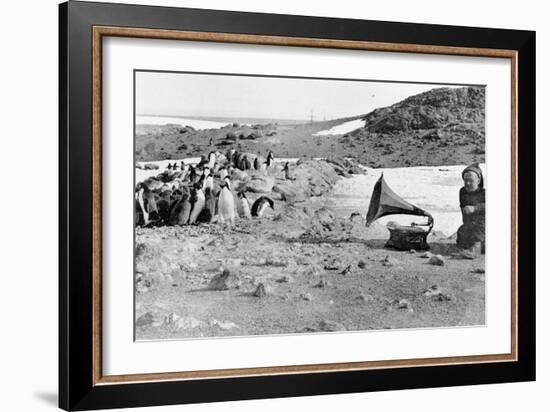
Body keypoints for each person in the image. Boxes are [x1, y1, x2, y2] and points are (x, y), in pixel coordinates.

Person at [456, 163, 485, 258]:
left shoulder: (484, 193)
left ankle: (476, 249)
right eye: (465, 180)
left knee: (478, 233)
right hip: (469, 225)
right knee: (461, 232)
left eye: (471, 181)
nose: (467, 183)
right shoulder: (463, 192)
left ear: (478, 180)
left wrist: (475, 208)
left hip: (484, 226)